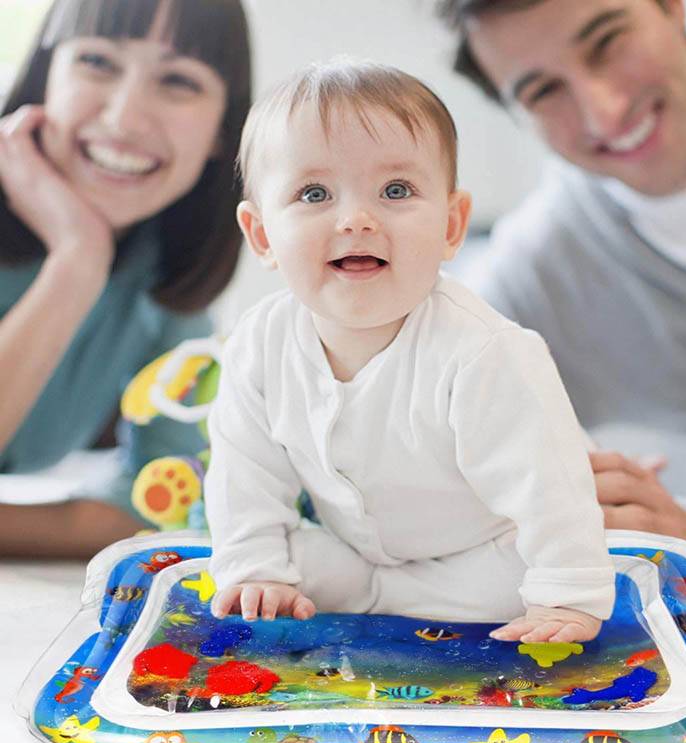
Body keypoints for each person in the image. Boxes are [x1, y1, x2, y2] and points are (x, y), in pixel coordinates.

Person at [205, 60, 615, 643]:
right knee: (261, 543)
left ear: (451, 226)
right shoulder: (259, 342)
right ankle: (375, 594)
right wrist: (256, 569)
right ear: (264, 235)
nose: (356, 219)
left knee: (539, 572)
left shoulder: (484, 352)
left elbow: (547, 487)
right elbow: (244, 469)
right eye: (314, 193)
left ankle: (407, 597)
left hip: (481, 549)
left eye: (396, 190)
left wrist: (567, 597)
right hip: (352, 554)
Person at [437, 0, 686, 580]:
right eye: (543, 92)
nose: (603, 112)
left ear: (673, 9)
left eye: (607, 42)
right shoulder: (543, 272)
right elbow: (420, 410)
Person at [0, 0, 251, 557]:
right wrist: (77, 262)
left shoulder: (160, 282)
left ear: (220, 133)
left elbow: (158, 506)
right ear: (46, 78)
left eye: (178, 81)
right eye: (97, 61)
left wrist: (80, 253)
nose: (124, 118)